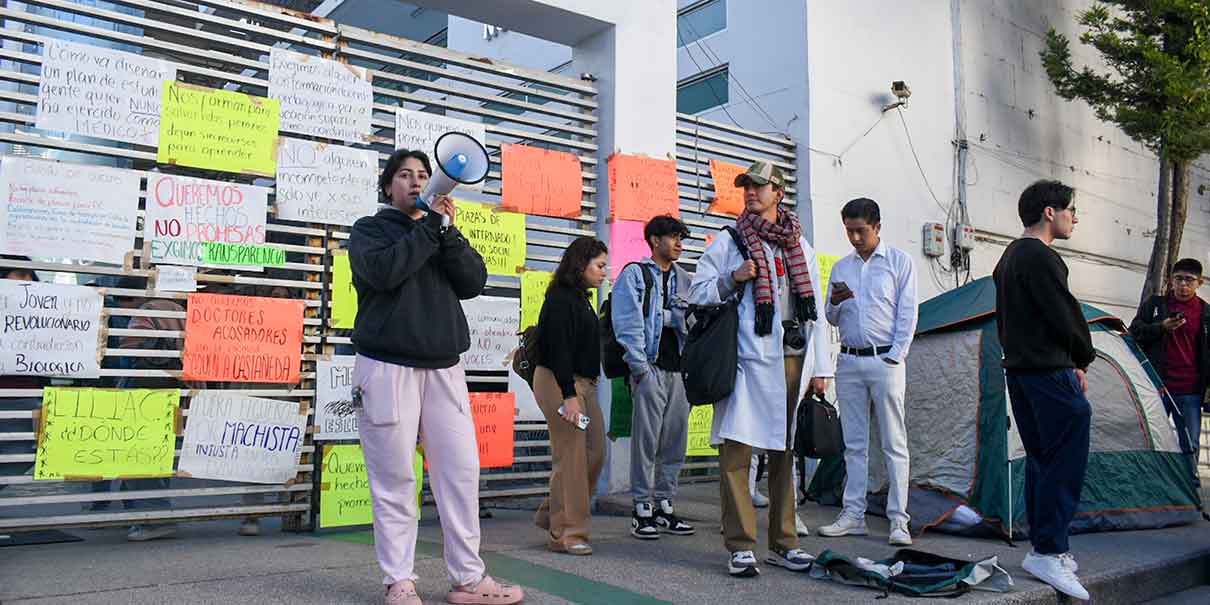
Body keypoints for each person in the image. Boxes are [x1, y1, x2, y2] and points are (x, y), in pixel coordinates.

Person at [348, 149, 522, 605]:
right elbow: (385, 273)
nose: (417, 182)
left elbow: (473, 281)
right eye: (405, 175)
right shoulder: (369, 231)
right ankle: (399, 582)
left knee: (460, 472)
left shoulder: (440, 233)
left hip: (445, 366)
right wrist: (427, 227)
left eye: (424, 175)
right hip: (387, 366)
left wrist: (447, 232)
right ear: (388, 187)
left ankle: (469, 578)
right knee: (395, 479)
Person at [689, 160, 832, 578]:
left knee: (784, 451)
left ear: (778, 193)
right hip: (747, 361)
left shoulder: (799, 246)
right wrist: (733, 278)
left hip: (791, 360)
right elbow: (697, 292)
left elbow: (817, 311)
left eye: (758, 186)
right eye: (745, 187)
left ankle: (785, 542)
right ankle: (740, 545)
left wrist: (821, 368)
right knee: (736, 451)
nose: (750, 192)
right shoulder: (730, 241)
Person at [992, 180, 1092, 601]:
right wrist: (1081, 357)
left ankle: (1045, 546)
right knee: (1063, 463)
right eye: (1070, 210)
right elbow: (1064, 315)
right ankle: (1050, 549)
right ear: (1049, 212)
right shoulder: (1041, 256)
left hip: (1020, 372)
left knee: (1041, 460)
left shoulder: (1009, 256)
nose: (1074, 218)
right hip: (1051, 373)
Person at [819, 198, 918, 547]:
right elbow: (830, 317)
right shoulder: (841, 268)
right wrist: (837, 301)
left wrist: (896, 357)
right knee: (854, 443)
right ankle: (853, 514)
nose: (855, 238)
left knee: (893, 442)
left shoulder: (899, 262)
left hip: (885, 360)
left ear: (877, 227)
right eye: (849, 231)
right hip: (849, 360)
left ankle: (898, 520)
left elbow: (907, 314)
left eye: (861, 231)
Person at [611, 215, 696, 540]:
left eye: (681, 239)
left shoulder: (686, 279)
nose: (678, 244)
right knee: (647, 441)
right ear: (655, 240)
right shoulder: (635, 275)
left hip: (680, 371)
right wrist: (639, 368)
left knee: (675, 441)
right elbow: (627, 323)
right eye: (673, 238)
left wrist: (673, 316)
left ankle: (665, 505)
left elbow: (692, 319)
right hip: (650, 368)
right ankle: (642, 507)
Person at [532, 236, 609, 555]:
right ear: (580, 265)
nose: (605, 272)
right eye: (600, 265)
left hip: (583, 385)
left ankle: (553, 512)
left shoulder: (581, 297)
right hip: (560, 383)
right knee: (573, 457)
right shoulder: (561, 299)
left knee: (595, 452)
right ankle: (567, 533)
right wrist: (568, 395)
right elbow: (559, 350)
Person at [1130, 258, 1209, 486]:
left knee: (1191, 442)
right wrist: (1161, 327)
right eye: (1178, 279)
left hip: (1190, 389)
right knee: (1148, 438)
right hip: (1156, 385)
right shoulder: (1156, 305)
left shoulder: (1206, 313)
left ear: (1199, 283)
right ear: (1170, 280)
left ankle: (1190, 488)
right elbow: (1135, 331)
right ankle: (1146, 484)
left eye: (1189, 280)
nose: (1183, 285)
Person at [0, 258, 47, 494]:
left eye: (30, 274)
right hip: (13, 393)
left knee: (23, 453)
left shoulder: (38, 308)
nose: (27, 280)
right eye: (20, 274)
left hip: (23, 393)